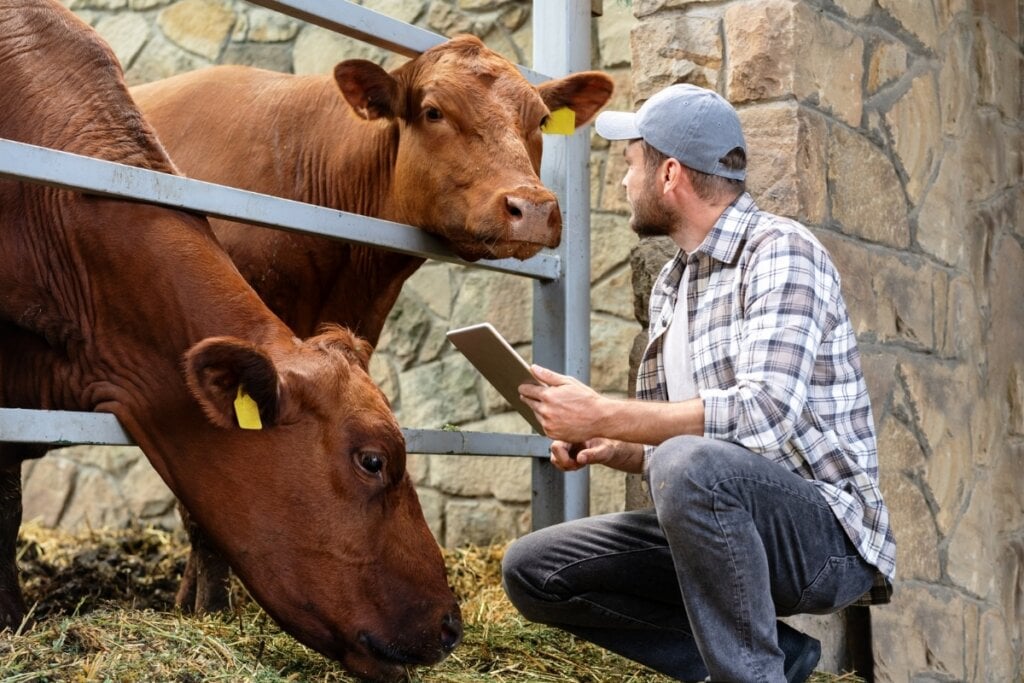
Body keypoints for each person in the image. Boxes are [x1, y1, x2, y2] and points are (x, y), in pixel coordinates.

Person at [503, 84, 896, 683]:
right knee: (534, 569)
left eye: (629, 164)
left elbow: (762, 415)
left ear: (669, 175)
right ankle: (778, 660)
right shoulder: (673, 284)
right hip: (721, 521)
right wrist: (616, 448)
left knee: (688, 464)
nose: (622, 184)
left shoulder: (781, 252)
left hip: (827, 541)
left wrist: (602, 412)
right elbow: (685, 444)